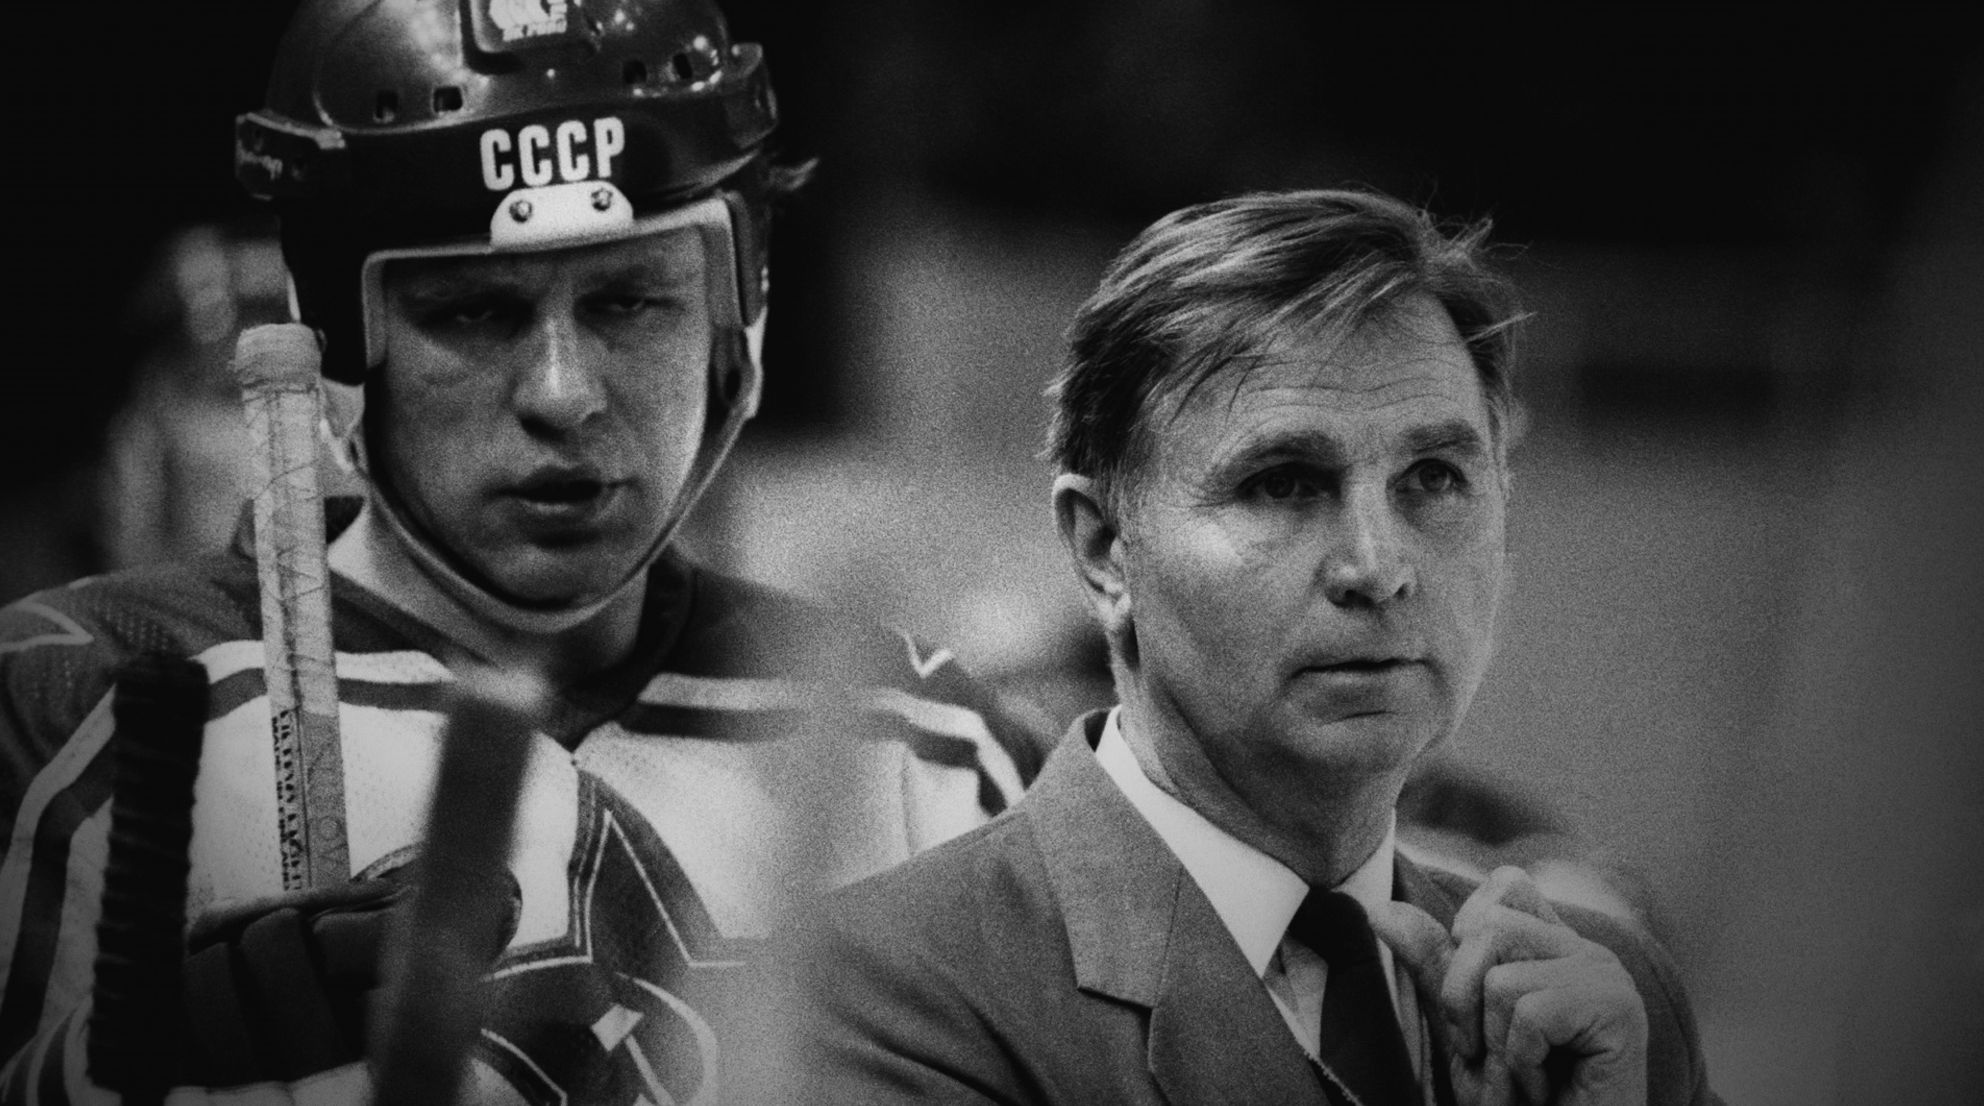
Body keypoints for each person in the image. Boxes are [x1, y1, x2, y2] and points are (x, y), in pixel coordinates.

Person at [0, 0, 1045, 1102]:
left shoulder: (933, 745)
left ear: (738, 311)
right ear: (337, 341)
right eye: (475, 312)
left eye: (631, 299)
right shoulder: (79, 704)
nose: (564, 394)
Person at [753, 188, 1719, 1105]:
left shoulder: (1606, 997)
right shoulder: (876, 993)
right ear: (1103, 550)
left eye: (1433, 477)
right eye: (1284, 484)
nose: (1377, 566)